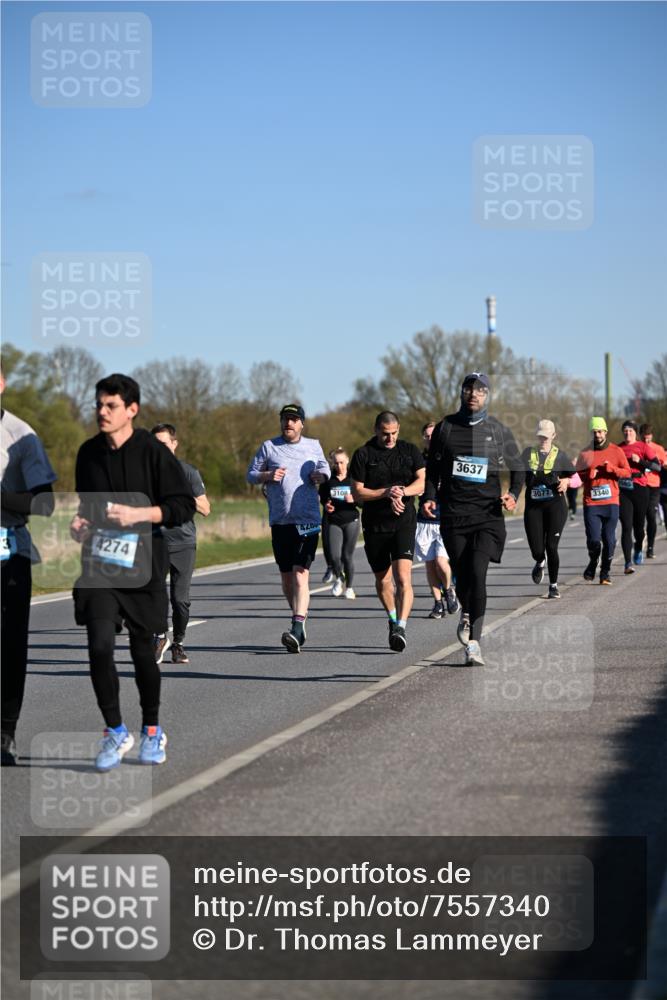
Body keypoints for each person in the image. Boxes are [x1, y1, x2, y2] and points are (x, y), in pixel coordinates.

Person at [70, 374, 195, 770]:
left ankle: (153, 730)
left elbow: (183, 506)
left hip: (144, 563)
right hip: (101, 564)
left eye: (110, 406)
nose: (102, 412)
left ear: (131, 410)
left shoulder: (153, 452)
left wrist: (141, 513)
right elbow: (87, 506)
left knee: (143, 654)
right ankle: (114, 731)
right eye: (98, 405)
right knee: (99, 646)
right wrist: (80, 523)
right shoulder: (88, 453)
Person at [423, 372, 524, 666]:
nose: (474, 394)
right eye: (469, 389)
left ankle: (474, 644)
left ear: (487, 396)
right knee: (463, 574)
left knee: (478, 574)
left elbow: (518, 467)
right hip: (454, 514)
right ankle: (466, 612)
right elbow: (433, 470)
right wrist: (429, 496)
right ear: (462, 393)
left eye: (480, 390)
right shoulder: (446, 428)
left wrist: (514, 494)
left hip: (487, 515)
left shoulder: (498, 431)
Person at [1, 368, 57, 765]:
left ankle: (5, 732)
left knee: (9, 646)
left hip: (10, 554)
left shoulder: (22, 436)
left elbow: (45, 503)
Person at [247, 403, 330, 652]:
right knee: (286, 579)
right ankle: (299, 618)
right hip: (280, 520)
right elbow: (250, 474)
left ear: (302, 423)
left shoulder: (313, 445)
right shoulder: (269, 447)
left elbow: (325, 468)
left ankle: (296, 625)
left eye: (294, 419)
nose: (289, 423)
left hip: (308, 519)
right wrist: (266, 476)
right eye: (285, 419)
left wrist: (321, 476)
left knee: (299, 573)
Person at [350, 411, 425, 652]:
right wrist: (386, 492)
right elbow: (357, 492)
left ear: (399, 430)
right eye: (385, 434)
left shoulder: (410, 451)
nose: (390, 438)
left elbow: (422, 482)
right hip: (375, 525)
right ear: (376, 430)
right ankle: (393, 619)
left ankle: (401, 627)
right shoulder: (363, 455)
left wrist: (402, 492)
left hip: (404, 522)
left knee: (403, 577)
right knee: (383, 580)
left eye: (394, 433)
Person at [151, 423, 210, 664]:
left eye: (164, 444)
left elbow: (206, 509)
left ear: (174, 444)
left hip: (184, 543)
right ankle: (160, 636)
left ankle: (178, 644)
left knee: (180, 600)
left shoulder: (188, 473)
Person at [520, 420, 574, 599]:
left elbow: (576, 478)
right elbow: (517, 476)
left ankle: (553, 586)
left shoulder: (561, 456)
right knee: (537, 549)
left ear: (553, 436)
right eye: (540, 435)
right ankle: (539, 560)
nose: (543, 438)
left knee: (551, 546)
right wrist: (512, 494)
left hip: (555, 507)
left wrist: (567, 481)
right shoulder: (528, 454)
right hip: (534, 507)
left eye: (546, 435)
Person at [575, 416, 631, 585]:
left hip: (611, 502)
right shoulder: (585, 453)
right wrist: (587, 476)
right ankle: (593, 563)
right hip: (591, 502)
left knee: (610, 540)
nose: (597, 435)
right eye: (594, 432)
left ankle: (605, 572)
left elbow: (627, 472)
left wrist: (612, 469)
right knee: (593, 540)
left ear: (605, 432)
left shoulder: (616, 451)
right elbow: (576, 476)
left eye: (600, 431)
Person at [416, 422, 458, 619]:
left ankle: (449, 590)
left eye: (434, 435)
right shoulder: (418, 460)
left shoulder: (451, 457)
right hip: (425, 519)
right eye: (427, 436)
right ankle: (437, 603)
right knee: (430, 563)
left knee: (441, 562)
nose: (431, 438)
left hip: (446, 517)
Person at [617, 420, 659, 573]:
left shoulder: (643, 447)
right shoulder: (618, 448)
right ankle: (628, 563)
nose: (628, 433)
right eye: (625, 431)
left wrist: (640, 461)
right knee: (626, 526)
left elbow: (657, 466)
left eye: (630, 431)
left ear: (635, 432)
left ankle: (639, 548)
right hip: (623, 490)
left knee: (639, 528)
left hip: (640, 489)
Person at [319, 448, 359, 599]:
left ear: (347, 461)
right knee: (334, 556)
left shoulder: (354, 478)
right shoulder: (328, 479)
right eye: (336, 463)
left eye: (342, 462)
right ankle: (339, 577)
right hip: (334, 521)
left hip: (351, 520)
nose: (339, 466)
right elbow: (323, 498)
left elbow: (363, 501)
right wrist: (326, 505)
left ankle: (349, 587)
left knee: (347, 556)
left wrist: (355, 499)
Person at [639, 423, 666, 559]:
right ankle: (639, 541)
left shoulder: (658, 449)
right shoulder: (635, 448)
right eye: (644, 439)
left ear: (652, 437)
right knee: (638, 518)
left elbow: (665, 463)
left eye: (649, 439)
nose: (646, 442)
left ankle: (650, 547)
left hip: (654, 487)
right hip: (639, 486)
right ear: (640, 437)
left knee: (651, 516)